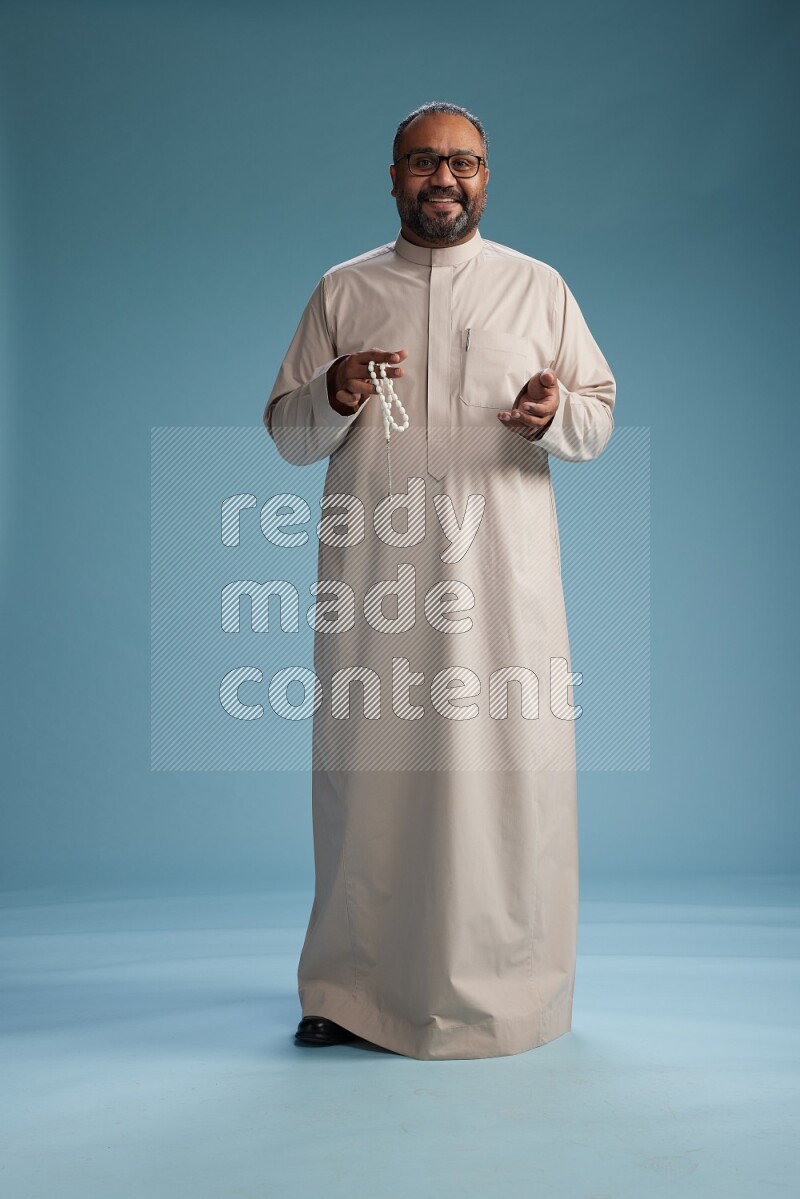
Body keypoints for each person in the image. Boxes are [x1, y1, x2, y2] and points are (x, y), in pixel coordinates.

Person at [263, 101, 616, 1060]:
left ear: (487, 178)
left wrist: (555, 413)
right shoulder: (345, 288)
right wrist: (330, 391)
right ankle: (349, 991)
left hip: (502, 591)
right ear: (392, 178)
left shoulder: (537, 287)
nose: (444, 179)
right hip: (377, 583)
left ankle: (515, 991)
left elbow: (598, 411)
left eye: (464, 163)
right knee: (368, 781)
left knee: (504, 782)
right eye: (424, 162)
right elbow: (287, 433)